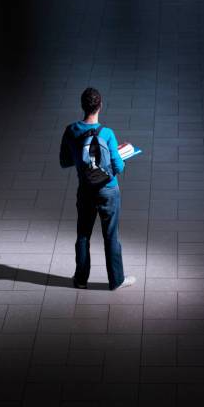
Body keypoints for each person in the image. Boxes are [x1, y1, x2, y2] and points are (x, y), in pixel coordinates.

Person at [59, 87, 136, 290]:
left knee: (83, 234)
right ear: (100, 106)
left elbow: (64, 161)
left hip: (85, 190)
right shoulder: (107, 133)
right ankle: (116, 280)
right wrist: (120, 157)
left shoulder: (71, 130)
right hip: (108, 190)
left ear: (83, 106)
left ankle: (81, 279)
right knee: (111, 235)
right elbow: (118, 167)